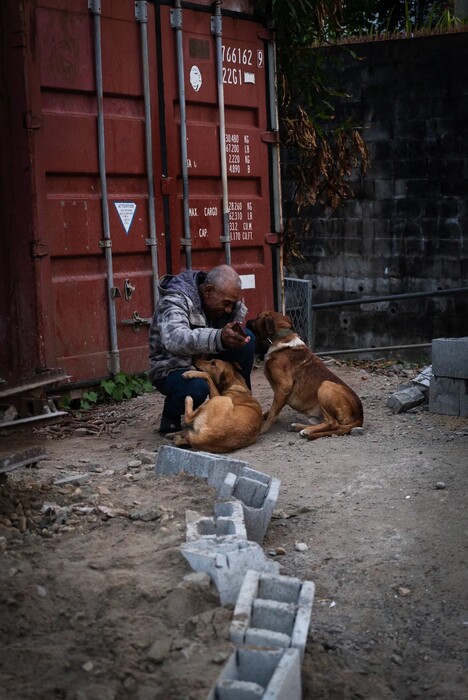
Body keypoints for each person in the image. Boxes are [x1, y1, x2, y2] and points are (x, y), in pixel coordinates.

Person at [148, 264, 255, 434]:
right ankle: (170, 416)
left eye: (232, 304)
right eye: (226, 303)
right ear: (208, 291)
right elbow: (174, 339)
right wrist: (218, 337)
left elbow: (229, 331)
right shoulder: (174, 299)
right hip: (173, 367)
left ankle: (239, 402)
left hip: (206, 358)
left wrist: (233, 335)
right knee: (198, 388)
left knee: (246, 341)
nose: (228, 309)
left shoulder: (222, 298)